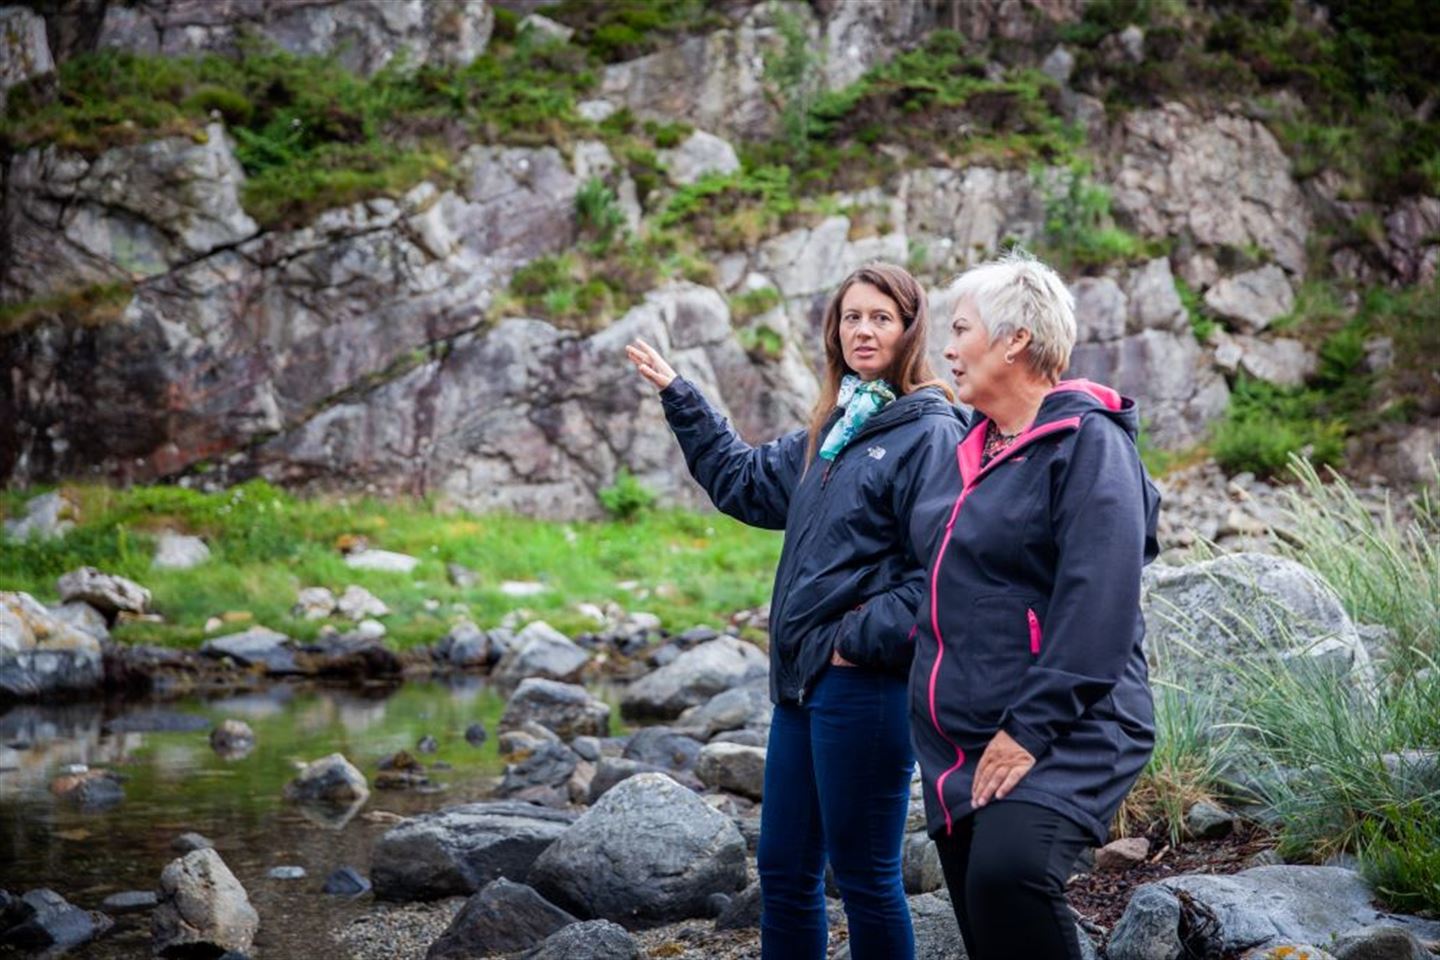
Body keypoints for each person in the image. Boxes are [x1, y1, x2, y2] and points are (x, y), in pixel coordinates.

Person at [625, 263, 965, 960]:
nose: (863, 330)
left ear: (910, 330)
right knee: (783, 871)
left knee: (866, 878)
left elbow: (937, 574)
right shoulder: (834, 430)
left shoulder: (928, 431)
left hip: (863, 684)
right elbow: (743, 482)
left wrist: (852, 640)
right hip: (802, 685)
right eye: (851, 317)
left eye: (880, 317)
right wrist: (681, 398)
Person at [909, 250, 1160, 960]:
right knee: (989, 928)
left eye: (961, 330)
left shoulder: (1088, 446)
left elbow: (1099, 604)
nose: (948, 349)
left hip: (1064, 727)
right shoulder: (969, 453)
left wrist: (1027, 729)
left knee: (1010, 880)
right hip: (958, 743)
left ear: (1015, 339)